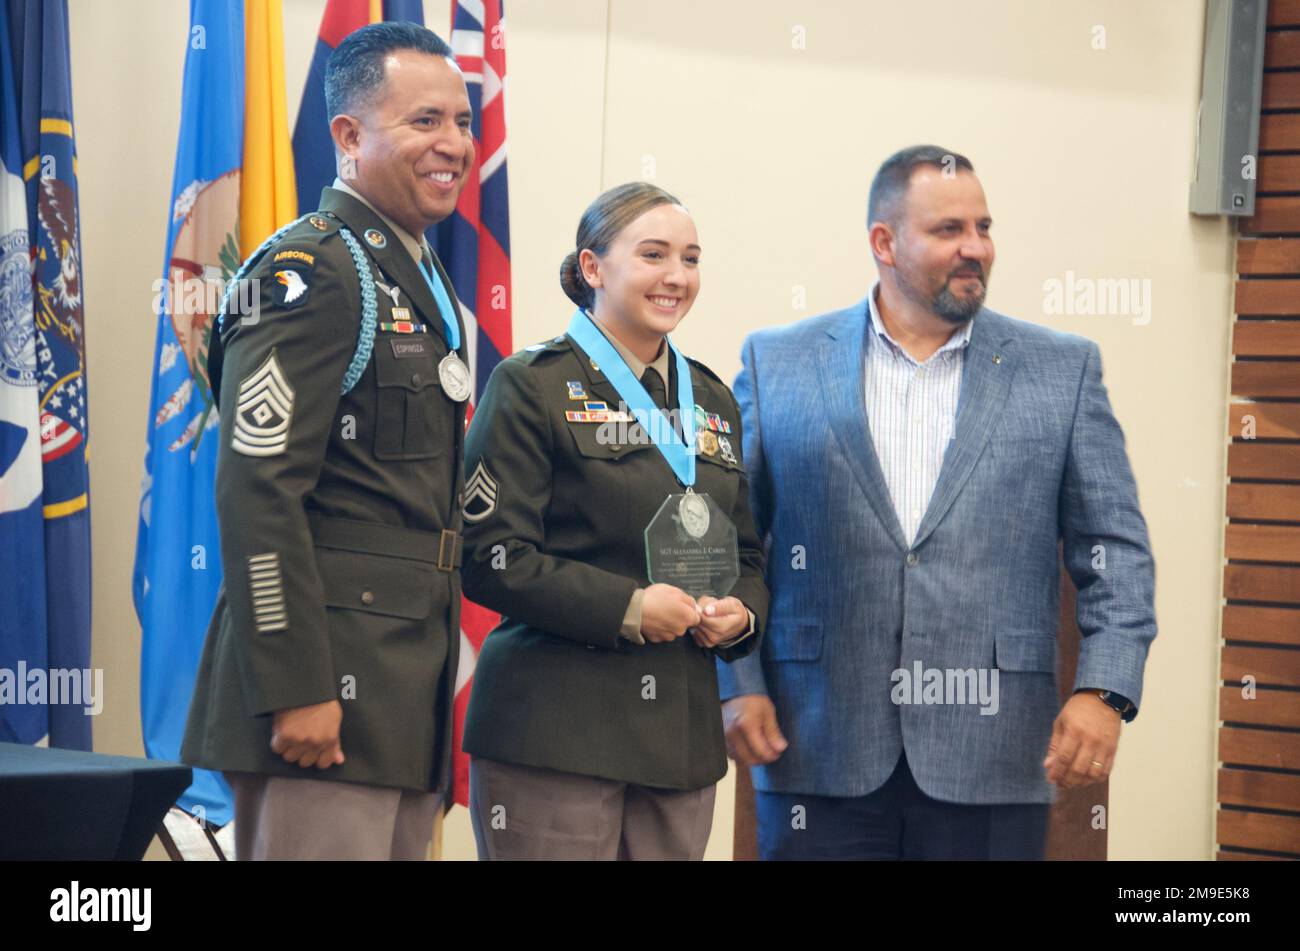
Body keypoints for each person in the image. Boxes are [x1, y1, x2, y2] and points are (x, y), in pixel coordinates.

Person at [718, 144, 1157, 860]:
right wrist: (735, 681)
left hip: (994, 756)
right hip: (815, 744)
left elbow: (1118, 551)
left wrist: (1105, 690)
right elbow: (728, 541)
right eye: (949, 230)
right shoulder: (779, 361)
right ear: (884, 243)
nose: (975, 248)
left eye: (984, 228)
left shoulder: (1062, 369)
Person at [181, 22, 474, 860]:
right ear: (347, 135)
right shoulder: (309, 272)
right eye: (425, 122)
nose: (452, 143)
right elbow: (257, 488)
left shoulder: (414, 273)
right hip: (319, 700)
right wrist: (297, 685)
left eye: (460, 121)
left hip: (398, 697)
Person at [460, 182, 769, 860]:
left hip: (680, 742)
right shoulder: (529, 384)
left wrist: (741, 614)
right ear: (593, 268)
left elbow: (747, 552)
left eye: (690, 258)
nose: (677, 277)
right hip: (557, 732)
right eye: (654, 254)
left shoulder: (713, 399)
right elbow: (490, 556)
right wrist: (628, 606)